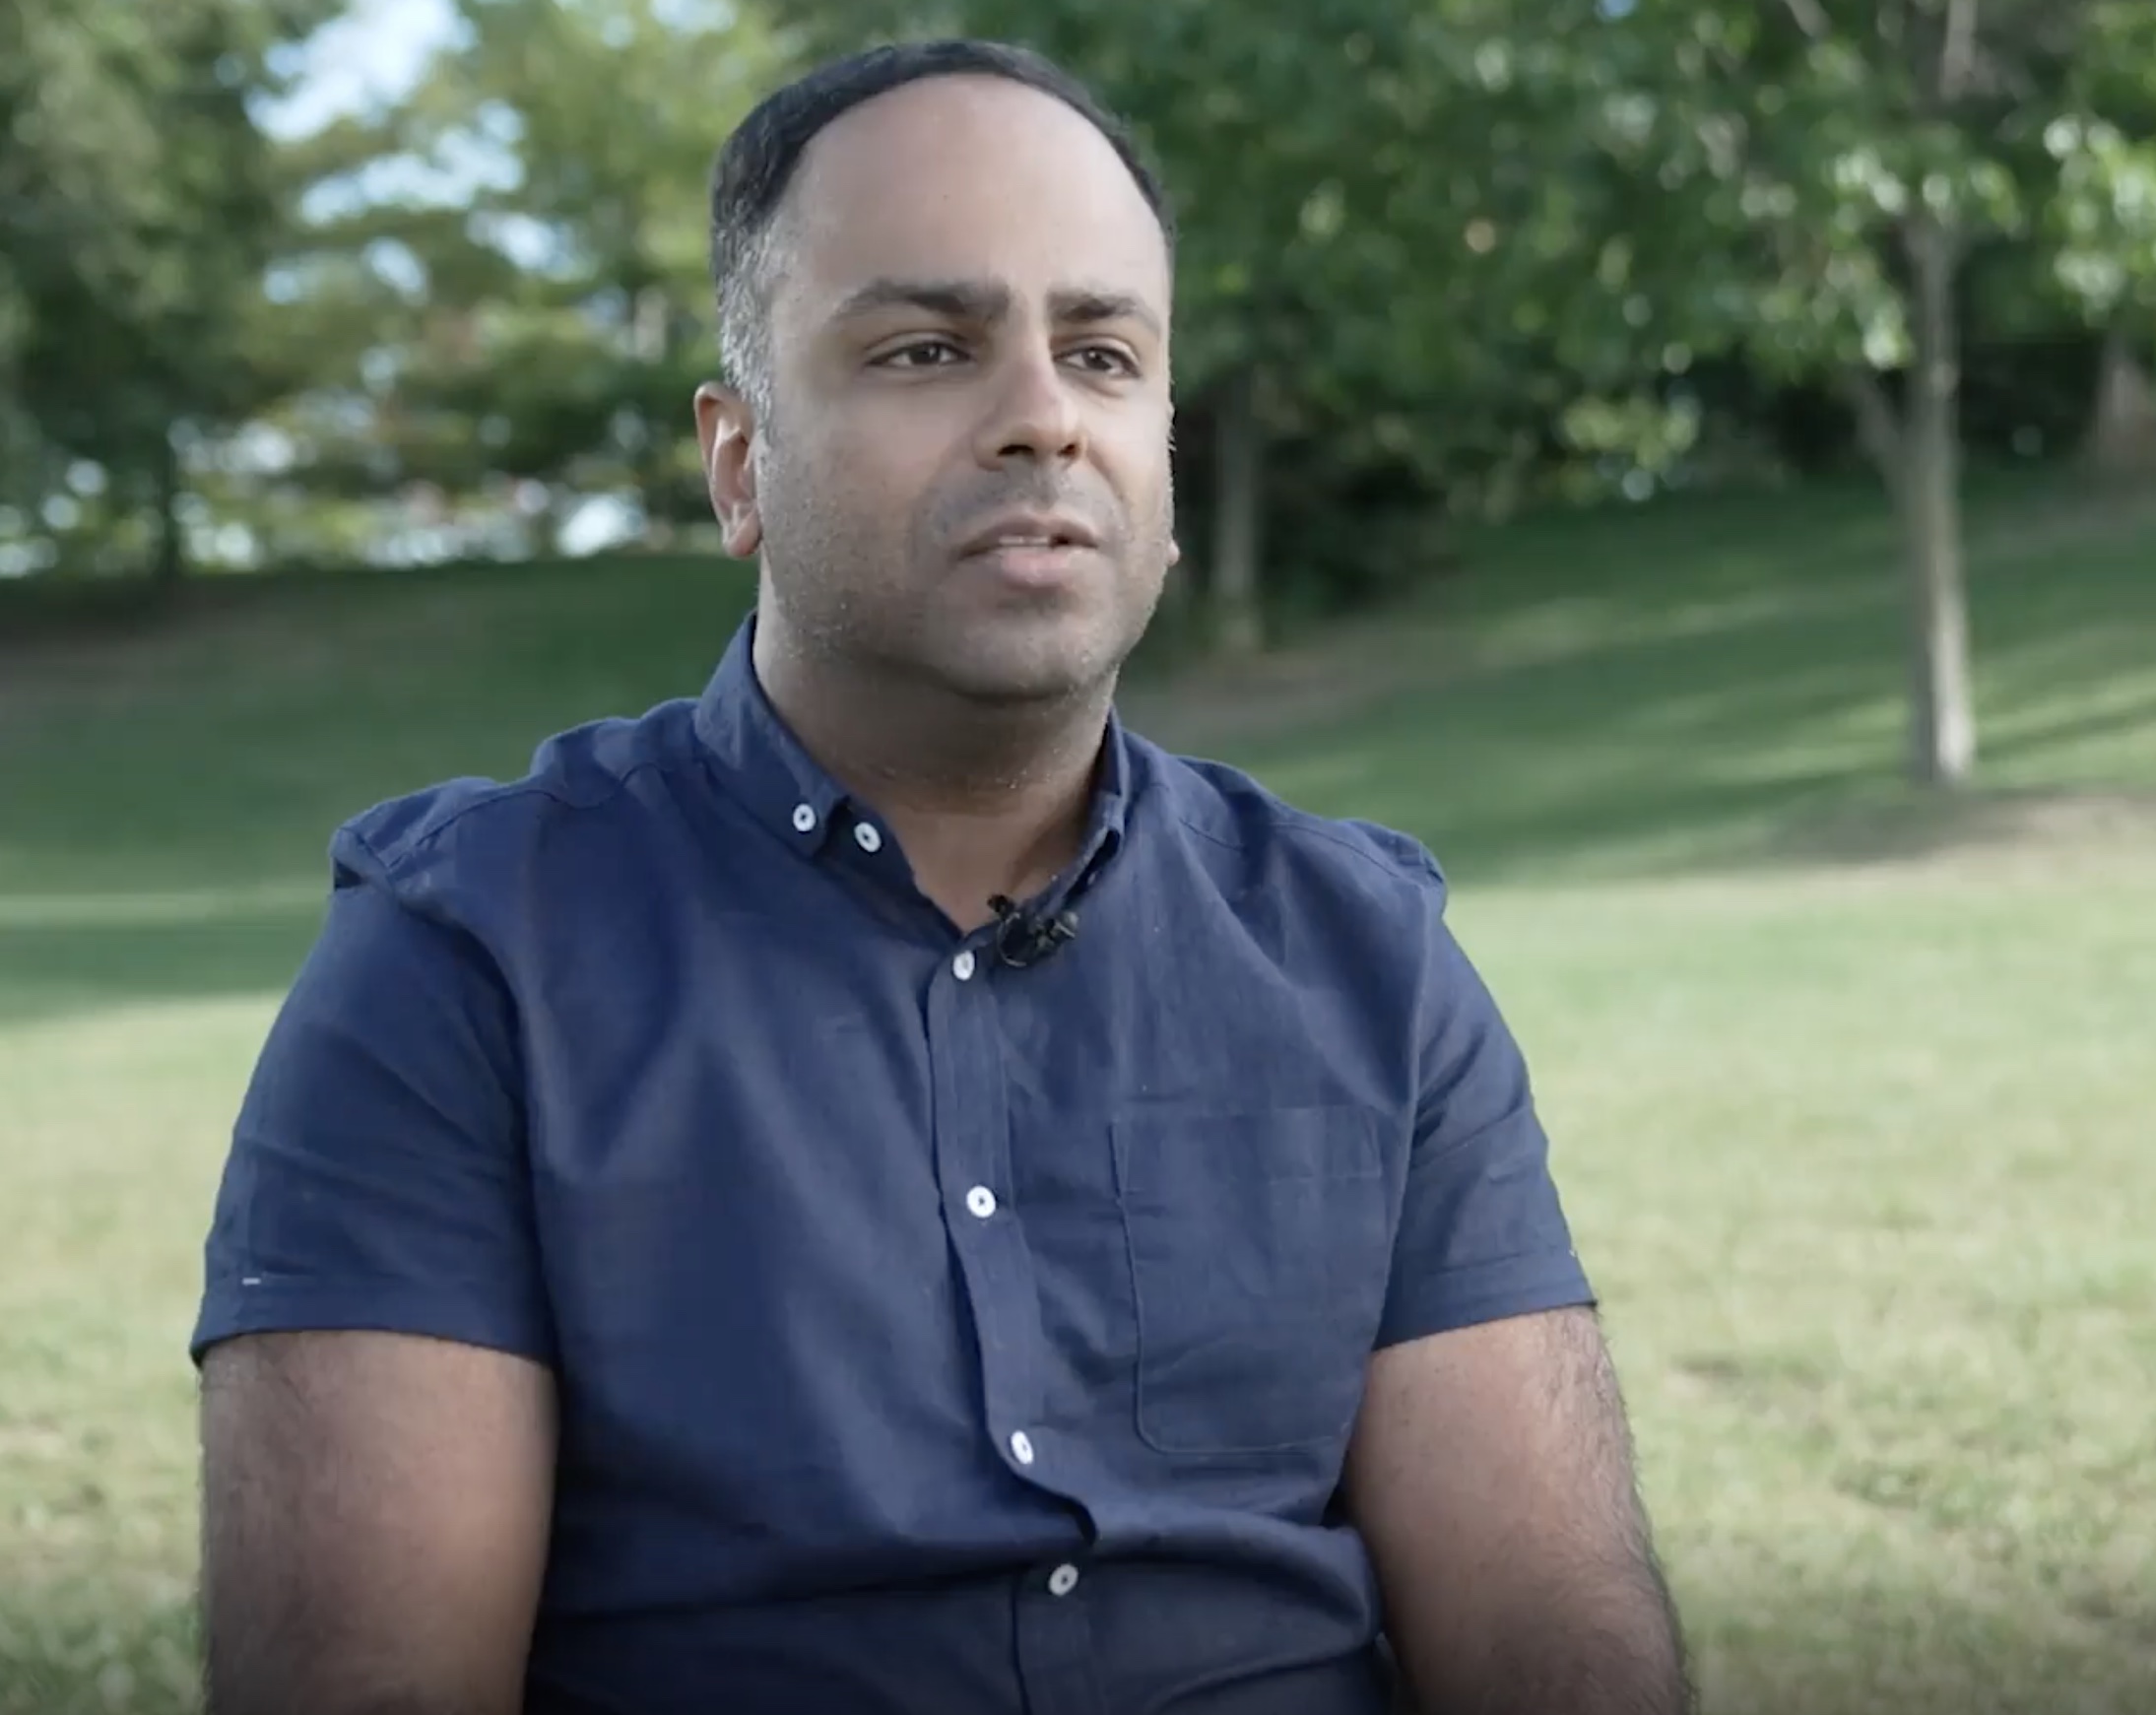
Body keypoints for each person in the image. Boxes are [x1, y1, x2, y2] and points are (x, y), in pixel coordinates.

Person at [188, 36, 1691, 1715]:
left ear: (1166, 467)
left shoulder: (1369, 960)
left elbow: (1551, 1636)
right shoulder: (466, 963)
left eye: (1103, 354)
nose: (1043, 415)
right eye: (926, 348)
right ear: (740, 464)